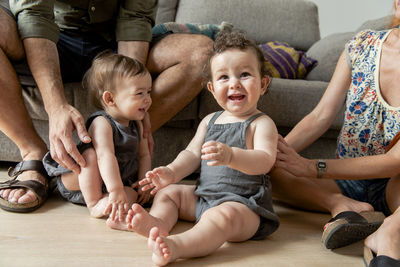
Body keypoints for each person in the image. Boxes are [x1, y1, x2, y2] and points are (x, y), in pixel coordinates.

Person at [0, 0, 213, 212]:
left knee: (201, 53)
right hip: (48, 38)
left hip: (113, 43)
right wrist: (56, 107)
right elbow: (34, 15)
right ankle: (33, 153)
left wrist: (131, 97)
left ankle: (121, 148)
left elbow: (135, 18)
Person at [113, 31, 280, 266]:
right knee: (169, 194)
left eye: (244, 74)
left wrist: (231, 155)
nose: (234, 83)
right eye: (224, 77)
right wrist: (171, 172)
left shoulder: (261, 123)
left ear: (263, 84)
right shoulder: (210, 120)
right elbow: (191, 154)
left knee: (221, 217)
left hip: (244, 206)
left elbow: (264, 160)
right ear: (211, 89)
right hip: (203, 197)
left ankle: (178, 246)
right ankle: (158, 223)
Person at [270, 0, 400, 253]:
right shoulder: (361, 46)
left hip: (395, 183)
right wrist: (274, 155)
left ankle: (388, 234)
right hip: (345, 179)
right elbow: (320, 116)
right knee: (269, 170)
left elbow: (396, 160)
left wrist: (310, 167)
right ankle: (342, 206)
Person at [42, 52, 152, 223]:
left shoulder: (138, 122)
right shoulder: (102, 123)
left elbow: (144, 155)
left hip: (115, 182)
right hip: (81, 182)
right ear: (110, 98)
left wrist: (144, 184)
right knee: (91, 156)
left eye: (148, 92)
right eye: (139, 94)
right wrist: (115, 189)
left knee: (133, 194)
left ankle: (117, 216)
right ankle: (94, 204)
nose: (148, 100)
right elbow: (105, 156)